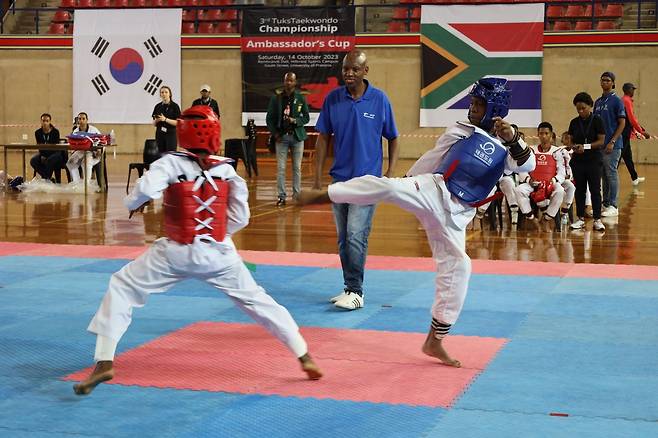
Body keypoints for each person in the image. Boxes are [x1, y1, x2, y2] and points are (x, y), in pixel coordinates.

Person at [73, 105, 322, 396]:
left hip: (176, 252)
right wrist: (215, 238)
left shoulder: (169, 164)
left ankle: (104, 360)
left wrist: (133, 204)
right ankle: (303, 354)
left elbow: (142, 192)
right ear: (215, 134)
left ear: (182, 134)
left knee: (123, 286)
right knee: (258, 301)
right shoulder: (228, 170)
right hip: (220, 255)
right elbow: (241, 218)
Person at [299, 77, 534, 366]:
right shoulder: (461, 130)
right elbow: (434, 156)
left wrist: (512, 138)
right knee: (388, 187)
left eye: (478, 104)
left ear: (494, 107)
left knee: (460, 266)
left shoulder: (507, 147)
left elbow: (527, 165)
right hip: (434, 190)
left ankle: (435, 341)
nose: (472, 109)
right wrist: (409, 179)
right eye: (471, 103)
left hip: (457, 217)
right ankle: (327, 195)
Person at [313, 49, 399, 310]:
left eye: (354, 69)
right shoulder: (333, 99)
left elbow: (393, 137)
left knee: (355, 235)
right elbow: (323, 138)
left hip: (368, 182)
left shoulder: (380, 100)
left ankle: (357, 292)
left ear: (365, 71)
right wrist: (317, 177)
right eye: (345, 69)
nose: (349, 73)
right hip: (340, 181)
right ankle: (349, 287)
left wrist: (389, 174)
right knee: (342, 238)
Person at [266, 72, 310, 205]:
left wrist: (295, 120)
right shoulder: (276, 98)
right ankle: (281, 196)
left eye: (291, 80)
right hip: (282, 138)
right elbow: (270, 118)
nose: (289, 83)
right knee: (281, 168)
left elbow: (306, 117)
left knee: (297, 168)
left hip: (297, 137)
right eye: (287, 80)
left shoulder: (300, 98)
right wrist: (275, 134)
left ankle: (297, 196)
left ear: (295, 82)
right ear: (284, 82)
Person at [568, 92, 606, 231]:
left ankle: (597, 219)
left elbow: (601, 141)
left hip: (594, 160)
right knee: (580, 190)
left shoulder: (597, 120)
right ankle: (580, 218)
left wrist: (586, 147)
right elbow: (571, 140)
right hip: (578, 161)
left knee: (595, 190)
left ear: (590, 106)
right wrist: (573, 146)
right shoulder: (574, 122)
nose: (581, 111)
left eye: (583, 108)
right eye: (578, 109)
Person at [514, 122, 565, 222]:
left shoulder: (557, 151)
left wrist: (553, 181)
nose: (543, 136)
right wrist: (529, 180)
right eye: (541, 133)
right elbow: (523, 169)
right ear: (538, 134)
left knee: (560, 191)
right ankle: (531, 218)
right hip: (534, 184)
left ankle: (547, 217)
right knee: (518, 190)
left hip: (550, 184)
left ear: (551, 134)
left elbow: (561, 172)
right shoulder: (531, 150)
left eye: (546, 133)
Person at [594, 72, 625, 218]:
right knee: (604, 176)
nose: (605, 82)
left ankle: (614, 205)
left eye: (608, 80)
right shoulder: (598, 102)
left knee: (611, 174)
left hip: (613, 145)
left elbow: (622, 123)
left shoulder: (617, 101)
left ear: (613, 83)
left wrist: (612, 141)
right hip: (600, 145)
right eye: (603, 80)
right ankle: (605, 203)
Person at [621, 82, 650, 186]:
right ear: (628, 90)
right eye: (632, 89)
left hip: (625, 132)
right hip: (623, 133)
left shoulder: (625, 100)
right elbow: (631, 118)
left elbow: (630, 119)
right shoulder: (626, 100)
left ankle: (635, 178)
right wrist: (641, 131)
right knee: (618, 157)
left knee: (627, 156)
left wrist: (638, 129)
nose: (633, 91)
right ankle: (606, 179)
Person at [66, 112, 101, 184]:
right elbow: (73, 144)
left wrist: (98, 150)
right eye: (79, 119)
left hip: (91, 152)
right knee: (70, 163)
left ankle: (86, 184)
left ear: (87, 120)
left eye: (83, 119)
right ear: (78, 120)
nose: (81, 121)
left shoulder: (93, 130)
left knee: (86, 163)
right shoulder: (76, 131)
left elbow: (101, 141)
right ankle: (77, 182)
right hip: (80, 151)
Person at [30, 113, 64, 181]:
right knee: (33, 160)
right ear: (41, 121)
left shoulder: (55, 132)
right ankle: (48, 178)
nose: (45, 123)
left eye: (47, 121)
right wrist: (42, 155)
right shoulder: (38, 132)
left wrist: (46, 155)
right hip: (43, 152)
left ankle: (46, 179)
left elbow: (55, 147)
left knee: (49, 160)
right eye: (43, 121)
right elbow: (39, 146)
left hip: (55, 152)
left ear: (50, 122)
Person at [152, 85, 181, 153]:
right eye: (162, 92)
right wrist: (157, 120)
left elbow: (177, 123)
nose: (164, 94)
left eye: (166, 92)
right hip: (160, 133)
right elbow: (154, 123)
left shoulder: (175, 106)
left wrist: (165, 119)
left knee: (170, 154)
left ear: (170, 94)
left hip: (171, 133)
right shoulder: (157, 106)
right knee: (160, 154)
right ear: (160, 95)